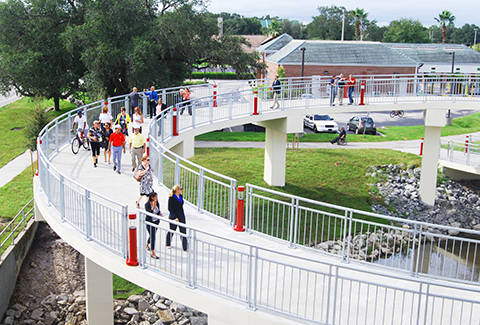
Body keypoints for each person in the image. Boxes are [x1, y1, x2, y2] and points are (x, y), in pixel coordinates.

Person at [166, 184, 187, 251]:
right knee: (172, 230)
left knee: (183, 231)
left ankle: (185, 247)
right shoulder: (171, 198)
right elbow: (170, 208)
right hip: (174, 216)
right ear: (177, 190)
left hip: (181, 215)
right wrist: (175, 217)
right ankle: (168, 243)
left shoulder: (180, 196)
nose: (181, 190)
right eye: (180, 189)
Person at [145, 191, 162, 259]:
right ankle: (152, 253)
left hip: (156, 222)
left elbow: (158, 211)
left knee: (152, 235)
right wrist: (153, 207)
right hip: (150, 223)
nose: (157, 198)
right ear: (152, 197)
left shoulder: (157, 203)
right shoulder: (147, 204)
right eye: (155, 197)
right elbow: (149, 214)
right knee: (153, 237)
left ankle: (147, 243)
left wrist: (159, 214)